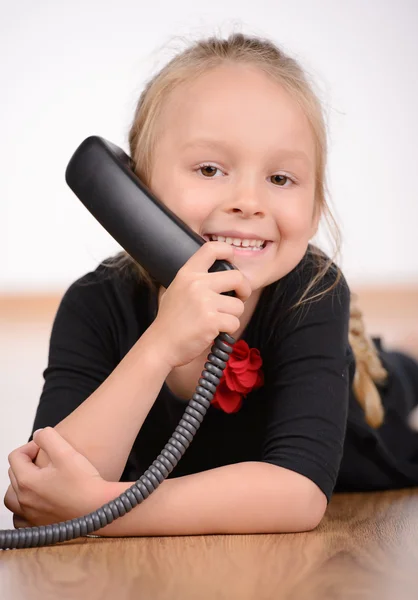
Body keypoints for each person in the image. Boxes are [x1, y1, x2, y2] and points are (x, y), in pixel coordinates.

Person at [4, 33, 418, 537]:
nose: (248, 201)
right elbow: (44, 487)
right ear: (134, 191)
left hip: (359, 417)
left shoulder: (313, 291)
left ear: (314, 209)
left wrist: (101, 508)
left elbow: (298, 493)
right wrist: (160, 344)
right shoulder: (94, 304)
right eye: (209, 169)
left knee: (393, 380)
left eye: (281, 179)